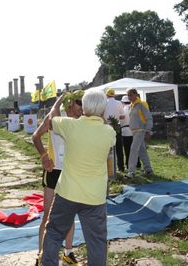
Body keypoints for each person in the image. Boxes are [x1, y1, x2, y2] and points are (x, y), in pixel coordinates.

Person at [40, 90, 115, 266]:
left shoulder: (70, 126)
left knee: (54, 233)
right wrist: (100, 116)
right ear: (103, 109)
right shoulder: (109, 133)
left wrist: (57, 104)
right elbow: (105, 127)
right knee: (97, 242)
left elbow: (52, 120)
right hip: (95, 197)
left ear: (84, 106)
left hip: (68, 193)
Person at [32, 90, 84, 266]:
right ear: (70, 103)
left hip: (70, 172)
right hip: (53, 171)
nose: (82, 108)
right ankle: (41, 252)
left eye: (84, 104)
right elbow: (36, 136)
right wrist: (44, 156)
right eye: (79, 103)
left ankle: (68, 253)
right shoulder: (55, 116)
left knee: (69, 214)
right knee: (48, 214)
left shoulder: (82, 120)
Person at [125, 88, 153, 178]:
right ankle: (148, 170)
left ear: (136, 94)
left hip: (141, 130)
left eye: (130, 95)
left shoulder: (142, 104)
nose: (129, 97)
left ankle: (131, 172)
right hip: (135, 131)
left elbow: (149, 117)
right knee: (142, 151)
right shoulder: (132, 105)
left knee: (133, 149)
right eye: (128, 95)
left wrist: (148, 131)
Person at [103, 88, 125, 172]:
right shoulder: (119, 103)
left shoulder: (104, 103)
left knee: (106, 148)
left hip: (106, 127)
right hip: (116, 126)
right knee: (119, 147)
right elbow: (123, 116)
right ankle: (121, 167)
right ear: (114, 95)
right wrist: (116, 117)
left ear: (106, 95)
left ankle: (108, 168)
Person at [120, 95, 141, 171]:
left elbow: (121, 121)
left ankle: (129, 165)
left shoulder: (123, 110)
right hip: (135, 131)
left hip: (126, 131)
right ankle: (138, 163)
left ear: (123, 102)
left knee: (127, 149)